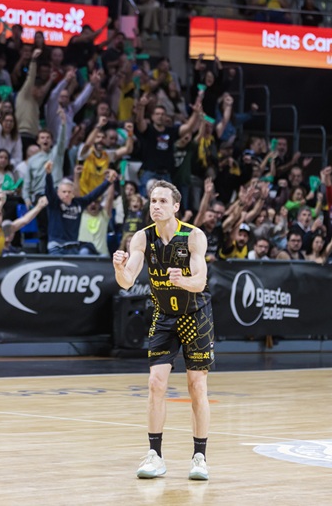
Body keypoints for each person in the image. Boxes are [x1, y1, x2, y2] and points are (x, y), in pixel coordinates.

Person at [112, 180, 213, 481]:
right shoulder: (142, 238)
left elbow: (201, 281)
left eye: (162, 201)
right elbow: (127, 281)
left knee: (197, 386)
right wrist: (119, 268)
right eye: (153, 201)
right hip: (164, 316)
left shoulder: (193, 236)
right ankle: (155, 455)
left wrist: (183, 281)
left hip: (195, 315)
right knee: (155, 383)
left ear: (176, 206)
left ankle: (199, 457)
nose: (155, 206)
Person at [44, 160, 115, 255]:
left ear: (73, 194)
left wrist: (108, 182)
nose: (67, 194)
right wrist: (48, 174)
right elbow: (49, 190)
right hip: (56, 247)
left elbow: (94, 194)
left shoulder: (79, 203)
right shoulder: (54, 203)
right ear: (58, 193)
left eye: (69, 192)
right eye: (64, 192)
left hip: (73, 246)